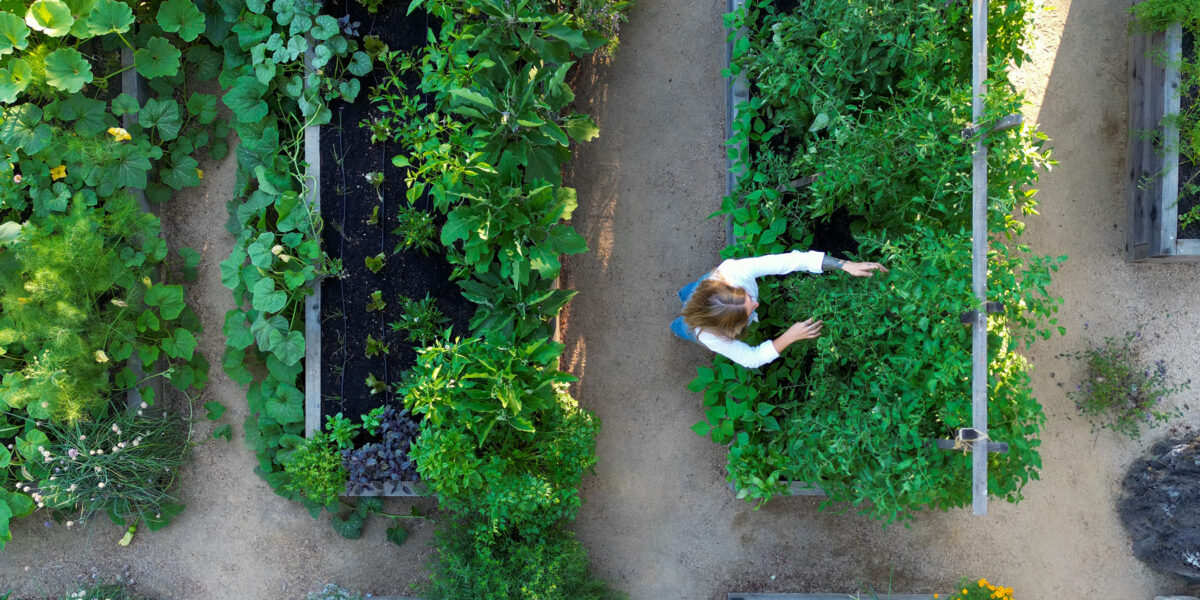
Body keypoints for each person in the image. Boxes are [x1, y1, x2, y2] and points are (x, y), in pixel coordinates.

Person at [670, 250, 887, 368]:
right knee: (686, 324)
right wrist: (789, 337)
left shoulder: (736, 272)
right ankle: (676, 325)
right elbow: (750, 358)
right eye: (748, 313)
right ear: (728, 328)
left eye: (746, 297)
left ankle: (686, 295)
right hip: (702, 306)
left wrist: (845, 265)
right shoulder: (709, 336)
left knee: (693, 293)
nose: (756, 305)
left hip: (709, 285)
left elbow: (794, 260)